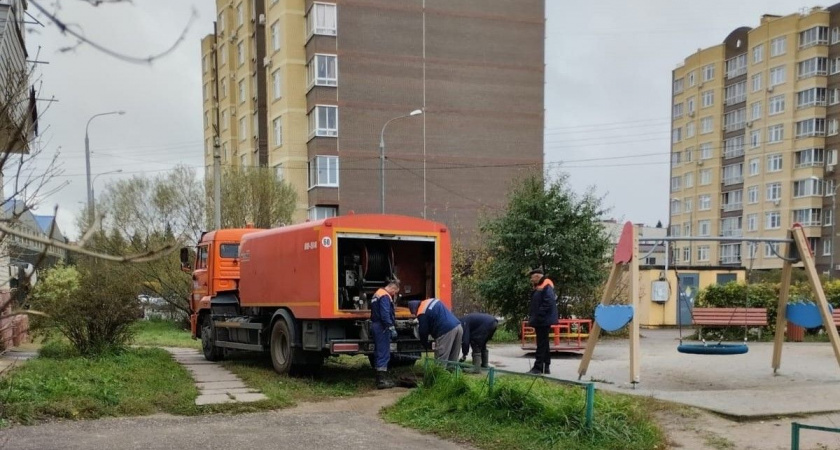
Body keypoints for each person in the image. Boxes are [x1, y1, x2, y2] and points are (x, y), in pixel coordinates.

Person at [408, 298, 463, 366]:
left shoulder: (421, 312)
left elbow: (423, 331)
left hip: (446, 331)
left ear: (414, 309)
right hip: (458, 326)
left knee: (441, 359)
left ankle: (439, 375)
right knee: (453, 358)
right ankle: (452, 374)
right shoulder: (430, 301)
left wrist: (425, 344)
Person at [370, 280, 400, 389]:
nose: (394, 294)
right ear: (392, 288)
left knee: (378, 351)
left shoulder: (377, 294)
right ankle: (382, 381)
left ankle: (379, 377)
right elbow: (385, 313)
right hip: (382, 327)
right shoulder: (385, 296)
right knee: (383, 352)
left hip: (376, 325)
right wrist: (391, 327)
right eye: (395, 292)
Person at [527, 268, 558, 375]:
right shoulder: (540, 286)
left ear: (537, 276)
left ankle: (538, 368)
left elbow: (548, 302)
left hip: (543, 320)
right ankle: (546, 366)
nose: (531, 280)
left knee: (541, 344)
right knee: (544, 344)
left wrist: (539, 314)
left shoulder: (546, 285)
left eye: (532, 277)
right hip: (541, 320)